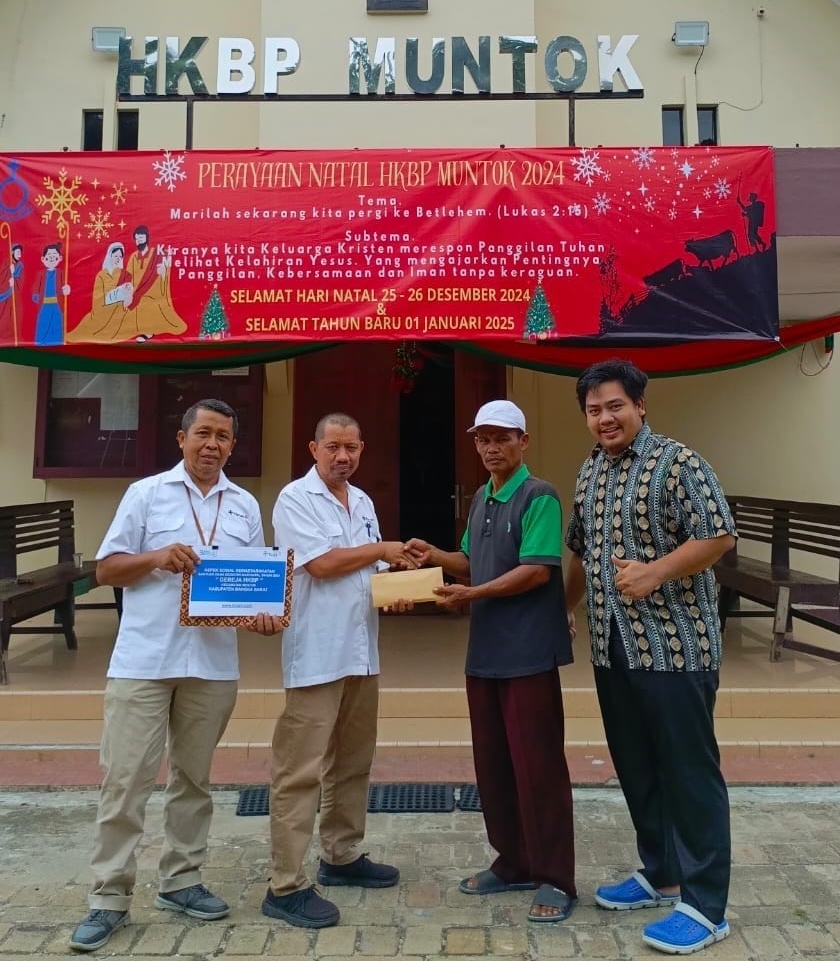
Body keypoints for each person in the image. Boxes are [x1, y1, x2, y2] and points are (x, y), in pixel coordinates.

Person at [69, 398, 283, 953]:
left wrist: (263, 615)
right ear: (182, 438)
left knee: (194, 780)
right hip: (144, 661)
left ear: (233, 445)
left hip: (212, 665)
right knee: (126, 781)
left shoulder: (244, 505)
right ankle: (108, 897)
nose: (212, 445)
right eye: (203, 433)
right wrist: (157, 557)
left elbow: (248, 582)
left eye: (223, 436)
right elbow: (106, 569)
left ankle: (181, 881)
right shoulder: (146, 494)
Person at [564, 359, 737, 956]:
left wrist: (656, 572)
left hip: (676, 648)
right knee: (637, 766)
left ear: (640, 405)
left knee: (689, 773)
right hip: (613, 648)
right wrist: (564, 608)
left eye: (615, 406)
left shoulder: (679, 462)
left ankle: (706, 906)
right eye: (594, 410)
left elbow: (719, 534)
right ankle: (662, 873)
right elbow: (580, 550)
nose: (604, 418)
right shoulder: (590, 470)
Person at [405, 399, 577, 925]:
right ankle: (513, 862)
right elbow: (470, 560)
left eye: (502, 437)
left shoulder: (539, 496)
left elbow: (537, 570)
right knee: (494, 765)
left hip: (528, 653)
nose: (491, 447)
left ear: (523, 441)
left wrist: (472, 594)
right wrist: (434, 556)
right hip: (485, 653)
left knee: (539, 768)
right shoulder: (483, 496)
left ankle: (555, 877)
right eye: (482, 439)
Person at [263, 412, 413, 929]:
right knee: (300, 771)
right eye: (332, 447)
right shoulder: (294, 499)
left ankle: (341, 855)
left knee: (352, 762)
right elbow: (322, 564)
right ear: (314, 449)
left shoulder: (363, 501)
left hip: (361, 653)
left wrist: (396, 589)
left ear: (361, 449)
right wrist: (382, 549)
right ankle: (285, 885)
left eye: (351, 447)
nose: (342, 456)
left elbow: (370, 572)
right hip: (316, 655)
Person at [125, 225, 186, 342]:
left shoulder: (157, 254)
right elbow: (128, 277)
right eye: (137, 239)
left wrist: (163, 272)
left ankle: (148, 332)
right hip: (136, 291)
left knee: (145, 300)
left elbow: (165, 271)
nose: (139, 241)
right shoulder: (133, 257)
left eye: (141, 238)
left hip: (153, 291)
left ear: (147, 238)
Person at [66, 242, 135, 344]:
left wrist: (125, 298)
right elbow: (97, 302)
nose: (118, 259)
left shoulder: (124, 275)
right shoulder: (101, 275)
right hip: (102, 310)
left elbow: (128, 297)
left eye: (120, 256)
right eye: (115, 256)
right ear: (110, 256)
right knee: (87, 327)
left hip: (120, 311)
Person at [32, 242, 70, 346]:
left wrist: (66, 290)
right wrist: (36, 296)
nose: (52, 259)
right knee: (44, 324)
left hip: (57, 305)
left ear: (60, 258)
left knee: (56, 325)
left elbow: (64, 286)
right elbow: (36, 288)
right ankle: (41, 342)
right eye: (49, 257)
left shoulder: (61, 273)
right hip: (44, 306)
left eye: (55, 256)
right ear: (43, 259)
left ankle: (57, 341)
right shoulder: (41, 274)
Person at [0, 242, 23, 342]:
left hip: (14, 295)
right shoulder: (6, 264)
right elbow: (1, 277)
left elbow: (21, 281)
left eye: (20, 253)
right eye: (17, 252)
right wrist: (9, 273)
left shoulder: (20, 265)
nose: (19, 255)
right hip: (4, 295)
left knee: (15, 314)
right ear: (12, 252)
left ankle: (13, 336)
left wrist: (15, 279)